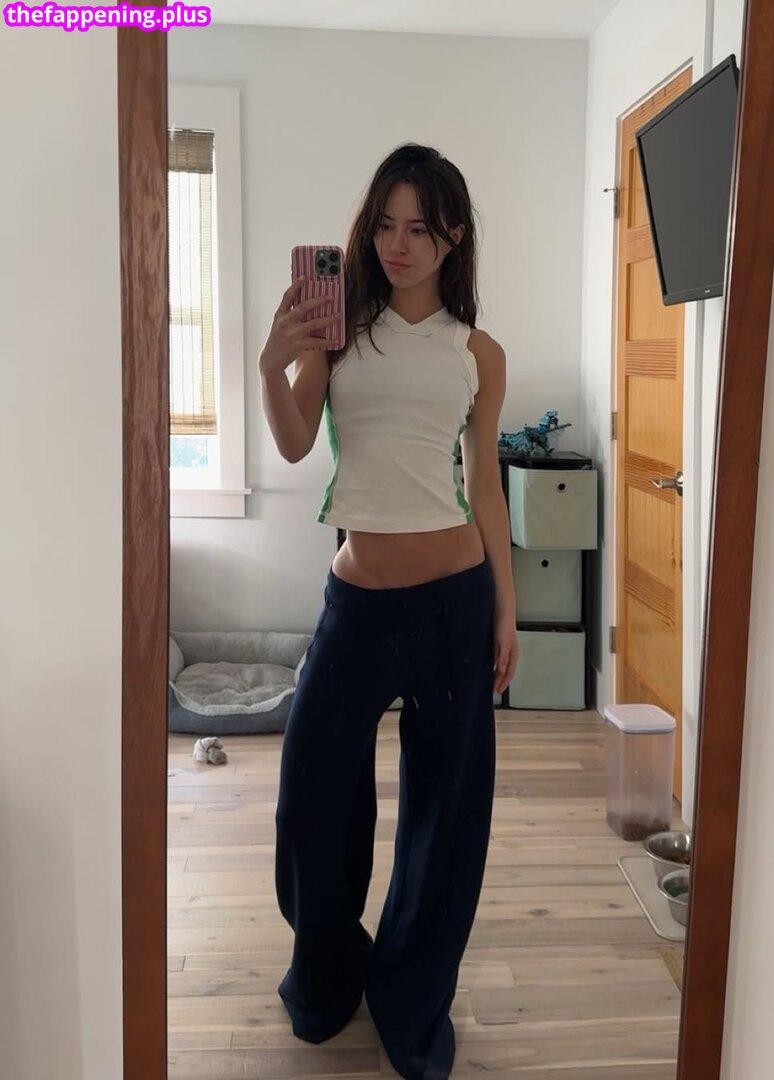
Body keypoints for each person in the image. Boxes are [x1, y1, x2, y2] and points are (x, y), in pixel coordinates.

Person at [258, 143, 519, 1080]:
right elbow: (296, 443)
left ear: (454, 237)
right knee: (311, 798)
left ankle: (411, 1003)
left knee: (448, 816)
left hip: (453, 600)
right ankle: (328, 975)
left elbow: (484, 488)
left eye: (419, 228)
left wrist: (506, 610)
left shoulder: (477, 353)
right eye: (384, 225)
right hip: (357, 605)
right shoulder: (338, 332)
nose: (398, 245)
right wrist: (273, 365)